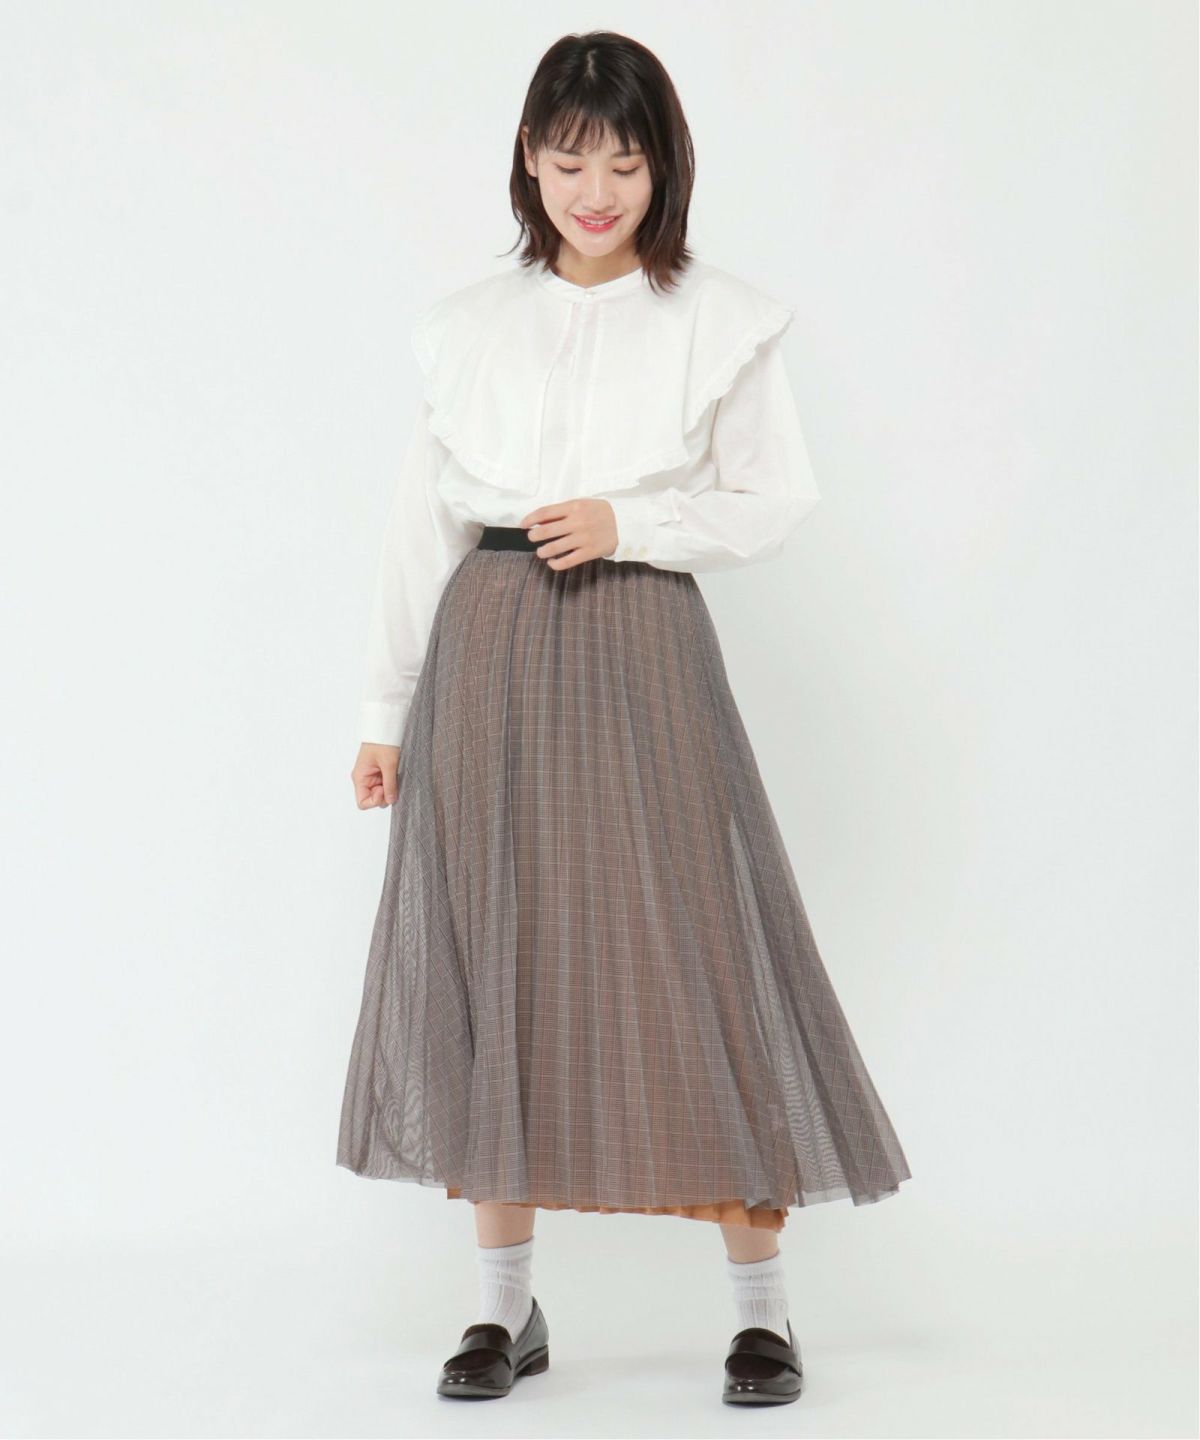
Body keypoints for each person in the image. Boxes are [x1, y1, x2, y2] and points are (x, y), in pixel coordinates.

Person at [337, 29, 912, 1407]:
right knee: (495, 952)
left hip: (642, 637)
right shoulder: (468, 324)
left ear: (666, 168)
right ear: (529, 160)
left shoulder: (719, 318)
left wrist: (629, 522)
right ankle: (503, 1310)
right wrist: (382, 711)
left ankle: (763, 1314)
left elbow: (771, 500)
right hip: (486, 644)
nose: (595, 191)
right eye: (569, 158)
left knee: (700, 948)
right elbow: (420, 528)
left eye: (625, 162)